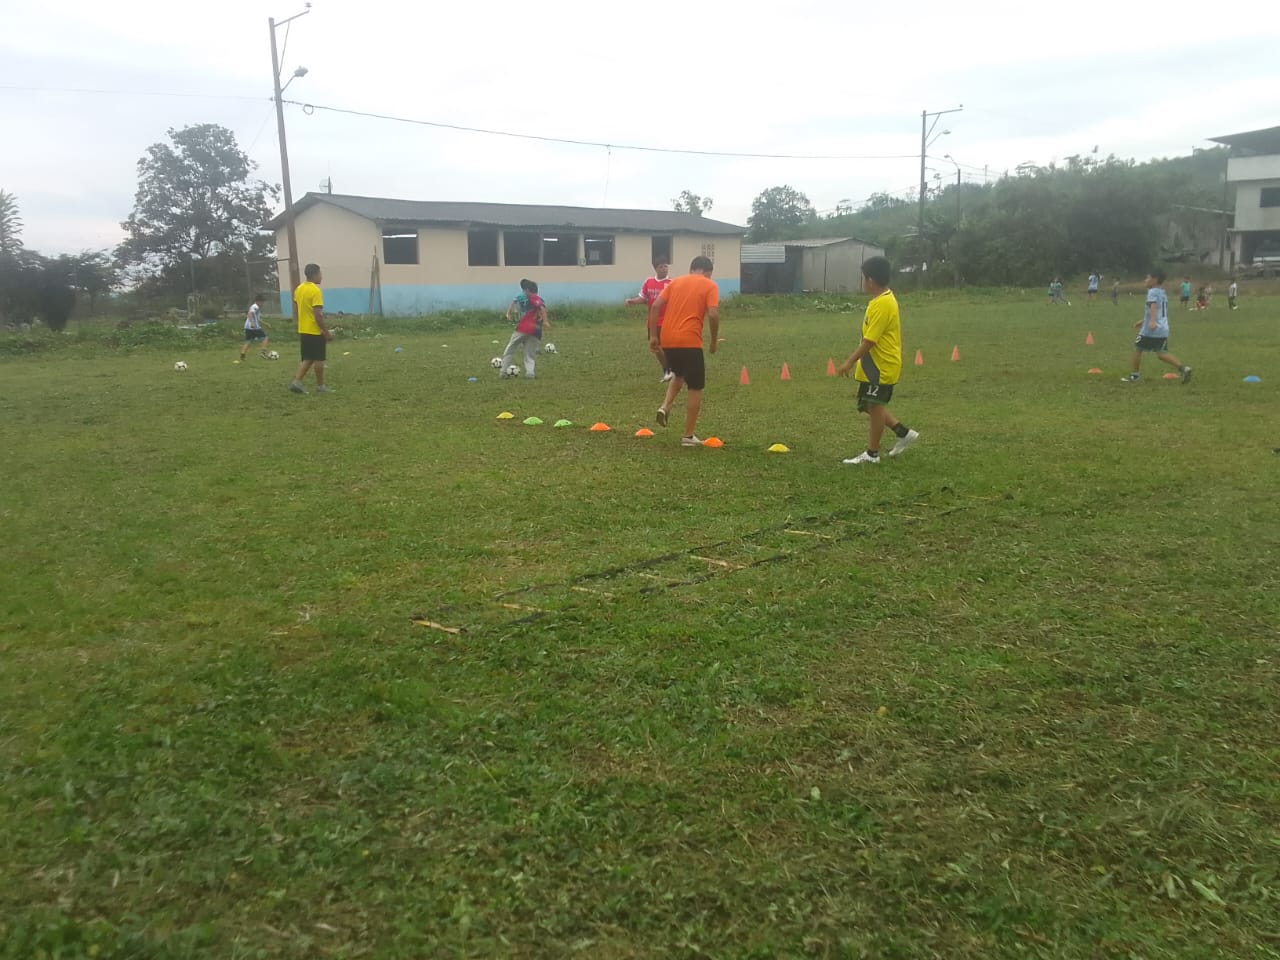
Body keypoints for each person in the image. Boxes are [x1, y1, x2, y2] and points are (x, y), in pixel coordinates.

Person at [837, 255, 917, 465]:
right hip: (872, 366)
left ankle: (872, 454)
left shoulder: (883, 304)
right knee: (868, 404)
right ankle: (903, 433)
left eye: (863, 278)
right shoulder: (880, 301)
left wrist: (849, 362)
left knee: (875, 406)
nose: (863, 282)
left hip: (880, 367)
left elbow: (870, 341)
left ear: (870, 280)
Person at [651, 255, 719, 446]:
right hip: (689, 340)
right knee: (695, 387)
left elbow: (655, 306)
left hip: (668, 339)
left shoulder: (675, 282)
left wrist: (654, 336)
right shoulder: (709, 285)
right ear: (708, 272)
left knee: (678, 374)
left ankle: (665, 406)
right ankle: (688, 436)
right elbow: (713, 314)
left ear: (691, 269)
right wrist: (714, 341)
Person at [1121, 269, 1191, 385]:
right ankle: (1184, 369)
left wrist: (1152, 322)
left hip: (1151, 329)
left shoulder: (1152, 292)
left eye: (1147, 278)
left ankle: (1135, 376)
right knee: (1161, 354)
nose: (1145, 280)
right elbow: (1159, 311)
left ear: (1155, 280)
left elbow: (1153, 307)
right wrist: (1144, 321)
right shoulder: (1162, 293)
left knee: (1138, 349)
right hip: (1163, 328)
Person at [625, 259, 674, 381]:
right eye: (661, 267)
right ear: (655, 268)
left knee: (666, 347)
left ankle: (671, 369)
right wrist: (632, 301)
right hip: (653, 321)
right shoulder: (649, 281)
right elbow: (643, 298)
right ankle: (667, 369)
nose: (664, 269)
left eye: (666, 266)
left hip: (667, 321)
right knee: (655, 347)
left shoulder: (671, 283)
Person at [289, 263, 333, 395]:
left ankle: (296, 382)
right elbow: (317, 315)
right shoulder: (315, 291)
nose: (321, 276)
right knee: (319, 359)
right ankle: (320, 387)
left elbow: (297, 305)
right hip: (314, 330)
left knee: (308, 358)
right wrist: (326, 332)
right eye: (320, 274)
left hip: (303, 329)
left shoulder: (299, 289)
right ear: (315, 275)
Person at [500, 280, 549, 378]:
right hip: (536, 331)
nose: (523, 292)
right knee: (530, 353)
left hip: (524, 328)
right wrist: (544, 321)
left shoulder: (533, 298)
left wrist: (545, 321)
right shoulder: (537, 298)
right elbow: (543, 308)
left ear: (527, 290)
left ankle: (503, 372)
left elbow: (542, 307)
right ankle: (530, 373)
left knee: (510, 348)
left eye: (524, 290)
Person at [238, 293, 269, 362]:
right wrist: (252, 323)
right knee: (265, 338)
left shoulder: (256, 307)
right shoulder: (255, 307)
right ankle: (263, 353)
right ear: (258, 301)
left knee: (248, 341)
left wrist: (265, 324)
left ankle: (242, 355)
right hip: (254, 327)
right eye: (262, 302)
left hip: (247, 327)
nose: (263, 304)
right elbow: (249, 313)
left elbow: (257, 319)